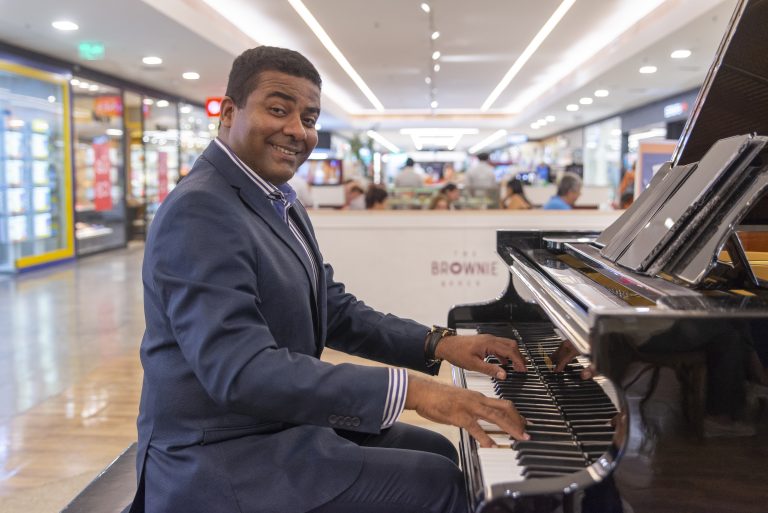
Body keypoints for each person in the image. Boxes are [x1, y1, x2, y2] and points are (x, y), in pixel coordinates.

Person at [133, 46, 529, 513]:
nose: (297, 131)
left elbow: (331, 307)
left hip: (274, 424)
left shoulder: (276, 196)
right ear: (228, 111)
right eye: (278, 109)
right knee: (436, 480)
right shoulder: (200, 209)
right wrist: (414, 390)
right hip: (218, 453)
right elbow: (240, 371)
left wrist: (438, 344)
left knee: (438, 450)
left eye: (309, 117)